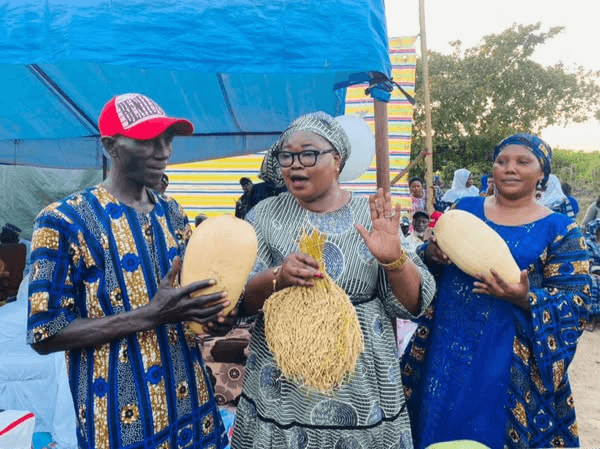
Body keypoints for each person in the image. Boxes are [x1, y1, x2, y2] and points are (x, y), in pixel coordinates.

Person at [27, 93, 231, 449]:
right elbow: (45, 334)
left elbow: (184, 299)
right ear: (111, 146)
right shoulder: (63, 220)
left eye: (168, 139)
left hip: (190, 403)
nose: (164, 152)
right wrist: (148, 316)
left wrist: (210, 316)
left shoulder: (173, 213)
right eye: (148, 140)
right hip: (119, 417)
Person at [231, 112, 436, 448]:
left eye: (308, 154)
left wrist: (394, 261)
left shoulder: (371, 215)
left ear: (337, 160)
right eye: (286, 156)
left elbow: (414, 304)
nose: (295, 164)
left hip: (362, 388)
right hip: (283, 388)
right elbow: (238, 301)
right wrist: (276, 278)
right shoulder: (264, 216)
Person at [401, 133, 591, 448]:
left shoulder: (560, 230)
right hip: (445, 346)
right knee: (436, 427)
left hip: (505, 357)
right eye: (501, 161)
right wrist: (431, 253)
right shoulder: (465, 210)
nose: (509, 168)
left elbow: (577, 303)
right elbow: (425, 265)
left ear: (542, 173)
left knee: (487, 431)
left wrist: (524, 297)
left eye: (522, 162)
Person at [584, 219, 600, 330]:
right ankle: (591, 318)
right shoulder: (588, 243)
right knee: (593, 281)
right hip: (591, 272)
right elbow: (587, 262)